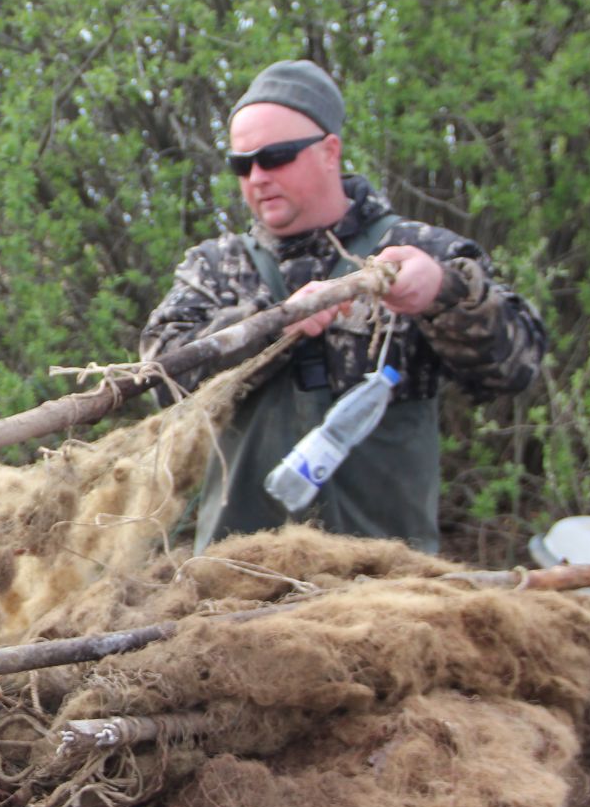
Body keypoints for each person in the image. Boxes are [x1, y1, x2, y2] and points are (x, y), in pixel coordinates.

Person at [140, 60, 545, 554]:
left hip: (386, 580)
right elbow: (159, 376)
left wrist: (444, 293)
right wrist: (272, 324)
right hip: (238, 577)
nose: (258, 176)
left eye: (276, 157)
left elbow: (516, 366)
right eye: (242, 164)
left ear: (330, 152)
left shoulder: (415, 249)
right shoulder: (215, 267)